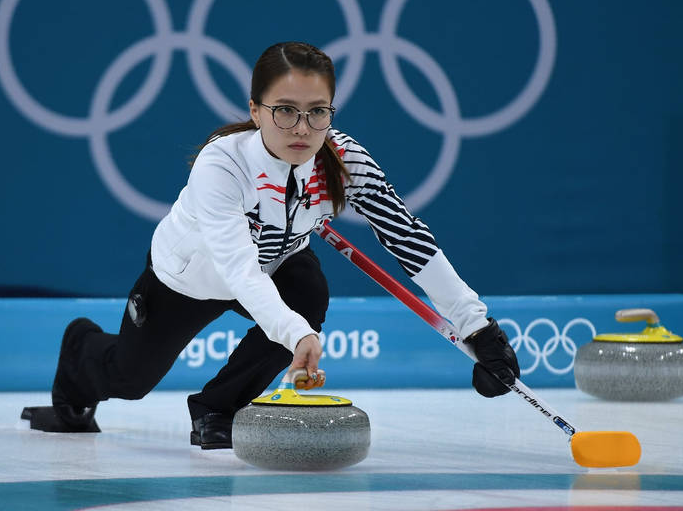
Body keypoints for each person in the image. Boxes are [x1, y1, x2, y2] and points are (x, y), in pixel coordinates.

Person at [50, 41, 520, 448]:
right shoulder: (223, 165)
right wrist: (297, 335)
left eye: (317, 112)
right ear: (255, 110)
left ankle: (218, 407)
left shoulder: (343, 158)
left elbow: (408, 238)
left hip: (277, 263)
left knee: (307, 293)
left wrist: (477, 326)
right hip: (191, 277)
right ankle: (80, 348)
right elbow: (238, 269)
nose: (301, 128)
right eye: (285, 111)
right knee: (128, 381)